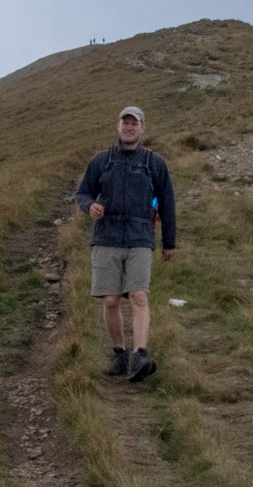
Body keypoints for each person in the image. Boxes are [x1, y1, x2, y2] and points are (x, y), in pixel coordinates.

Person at [74, 105, 177, 380]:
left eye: (135, 123)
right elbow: (83, 193)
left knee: (138, 295)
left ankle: (140, 355)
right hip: (106, 237)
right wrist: (89, 207)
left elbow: (167, 204)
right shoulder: (101, 160)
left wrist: (169, 242)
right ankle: (119, 355)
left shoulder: (155, 163)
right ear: (118, 126)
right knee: (110, 300)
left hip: (140, 236)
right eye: (125, 123)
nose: (129, 127)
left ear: (143, 128)